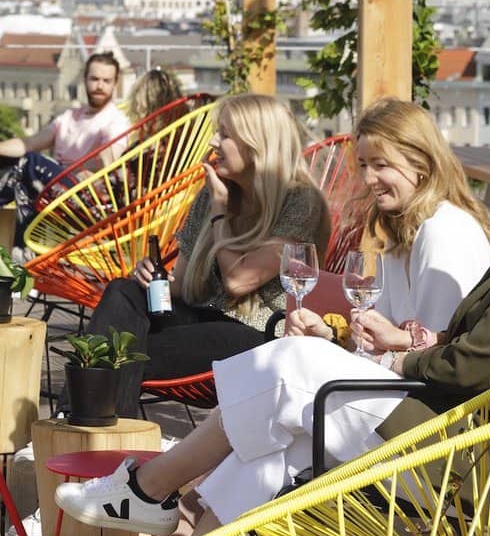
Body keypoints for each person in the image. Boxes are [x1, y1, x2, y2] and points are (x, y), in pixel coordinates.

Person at [58, 100, 490, 536]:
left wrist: (394, 354)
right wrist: (378, 343)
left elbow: (468, 365)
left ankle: (149, 487)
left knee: (292, 364)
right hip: (448, 426)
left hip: (472, 458)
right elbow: (470, 345)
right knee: (267, 457)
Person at [86, 92, 331, 419]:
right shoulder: (214, 191)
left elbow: (238, 282)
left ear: (256, 144)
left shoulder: (301, 202)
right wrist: (153, 279)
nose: (214, 142)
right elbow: (183, 285)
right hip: (202, 317)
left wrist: (220, 213)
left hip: (258, 337)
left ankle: (90, 424)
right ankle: (90, 424)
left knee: (122, 350)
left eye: (225, 135)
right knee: (123, 291)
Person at [0, 52, 131, 233]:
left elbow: (112, 160)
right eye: (94, 79)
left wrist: (91, 169)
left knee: (31, 162)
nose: (100, 86)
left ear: (115, 83)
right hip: (54, 183)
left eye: (106, 81)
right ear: (84, 79)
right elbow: (30, 142)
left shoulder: (115, 121)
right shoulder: (70, 117)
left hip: (81, 195)